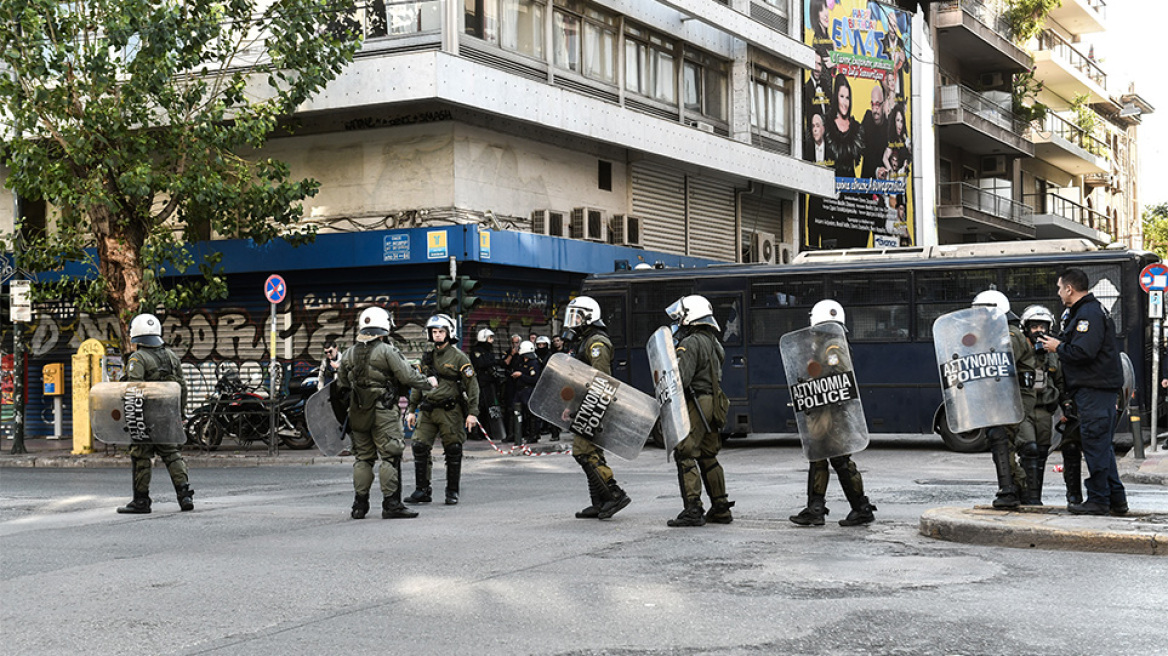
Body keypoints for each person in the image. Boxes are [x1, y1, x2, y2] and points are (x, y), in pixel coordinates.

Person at [1037, 269, 1128, 515]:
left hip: (1094, 390)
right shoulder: (1085, 312)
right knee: (1102, 447)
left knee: (1095, 446)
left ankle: (1098, 500)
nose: (1058, 293)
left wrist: (1058, 347)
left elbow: (1083, 352)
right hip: (1095, 390)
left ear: (1069, 288)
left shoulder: (1088, 314)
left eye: (1059, 288)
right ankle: (1116, 500)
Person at [335, 306, 435, 519]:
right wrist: (429, 383)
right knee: (390, 456)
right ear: (384, 325)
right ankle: (391, 504)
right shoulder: (387, 351)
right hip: (383, 412)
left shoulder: (349, 354)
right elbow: (407, 376)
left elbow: (341, 384)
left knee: (363, 458)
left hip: (358, 412)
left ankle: (359, 506)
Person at [788, 300, 877, 527]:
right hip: (825, 411)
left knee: (840, 460)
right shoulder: (828, 344)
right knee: (818, 457)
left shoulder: (832, 346)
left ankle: (861, 508)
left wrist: (815, 379)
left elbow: (840, 376)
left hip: (832, 413)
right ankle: (815, 509)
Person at [664, 295, 734, 527]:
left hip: (698, 402)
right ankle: (721, 507)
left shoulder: (691, 343)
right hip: (715, 402)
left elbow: (681, 379)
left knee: (685, 453)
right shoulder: (714, 341)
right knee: (708, 454)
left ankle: (693, 509)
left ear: (690, 316)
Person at [117, 313, 195, 514]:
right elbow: (182, 387)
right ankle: (184, 495)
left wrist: (132, 417)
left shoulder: (138, 358)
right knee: (171, 453)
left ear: (137, 335)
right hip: (167, 415)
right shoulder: (171, 356)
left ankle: (141, 501)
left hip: (146, 417)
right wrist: (180, 413)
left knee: (141, 454)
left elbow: (134, 389)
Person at [562, 296, 632, 519]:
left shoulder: (597, 343)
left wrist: (593, 408)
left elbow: (601, 379)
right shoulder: (586, 341)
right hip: (586, 404)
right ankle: (599, 502)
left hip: (595, 404)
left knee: (583, 452)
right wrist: (572, 406)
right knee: (593, 452)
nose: (573, 322)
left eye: (577, 316)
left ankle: (614, 494)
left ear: (589, 317)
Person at [406, 314, 480, 506]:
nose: (437, 335)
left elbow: (472, 386)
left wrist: (472, 413)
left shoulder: (459, 357)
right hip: (428, 410)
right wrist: (411, 409)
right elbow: (417, 383)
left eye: (441, 332)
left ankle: (452, 491)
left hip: (450, 411)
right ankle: (422, 490)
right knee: (419, 446)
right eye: (434, 332)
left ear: (449, 333)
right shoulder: (427, 357)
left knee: (453, 449)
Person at [972, 290, 1032, 509]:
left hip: (1015, 400)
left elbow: (1001, 365)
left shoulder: (1010, 335)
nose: (978, 317)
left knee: (1001, 439)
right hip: (1003, 398)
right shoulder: (996, 334)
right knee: (999, 440)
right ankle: (1019, 489)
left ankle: (1010, 491)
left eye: (982, 311)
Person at [1018, 305, 1064, 505]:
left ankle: (1034, 497)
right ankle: (1023, 493)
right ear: (1026, 328)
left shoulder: (1052, 354)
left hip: (1045, 408)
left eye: (1042, 326)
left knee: (1042, 452)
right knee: (1030, 448)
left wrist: (1066, 404)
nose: (1039, 330)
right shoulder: (1018, 349)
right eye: (1034, 326)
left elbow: (1060, 380)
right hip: (1023, 408)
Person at [470, 328, 504, 441]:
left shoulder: (488, 351)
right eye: (490, 338)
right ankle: (475, 432)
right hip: (481, 383)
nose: (492, 340)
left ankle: (487, 431)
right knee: (479, 407)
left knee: (488, 408)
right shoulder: (477, 351)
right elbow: (481, 363)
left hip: (489, 384)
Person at [827, 73, 862, 179]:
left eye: (847, 98)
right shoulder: (827, 124)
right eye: (842, 97)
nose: (845, 103)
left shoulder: (856, 128)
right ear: (836, 97)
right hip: (829, 185)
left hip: (850, 188)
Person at [510, 340, 542, 445]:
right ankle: (517, 434)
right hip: (520, 390)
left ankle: (534, 435)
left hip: (529, 390)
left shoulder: (534, 363)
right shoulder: (521, 362)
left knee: (531, 414)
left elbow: (534, 379)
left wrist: (521, 375)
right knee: (515, 411)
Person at [859, 85, 888, 179]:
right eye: (872, 104)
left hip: (886, 181)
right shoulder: (867, 118)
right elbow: (863, 149)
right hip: (867, 180)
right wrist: (877, 169)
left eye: (878, 104)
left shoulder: (889, 124)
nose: (875, 109)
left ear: (883, 104)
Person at [882, 103, 911, 178]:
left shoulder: (904, 139)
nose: (900, 125)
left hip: (904, 179)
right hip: (896, 180)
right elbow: (885, 158)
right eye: (897, 120)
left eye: (901, 121)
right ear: (894, 122)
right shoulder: (892, 139)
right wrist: (891, 171)